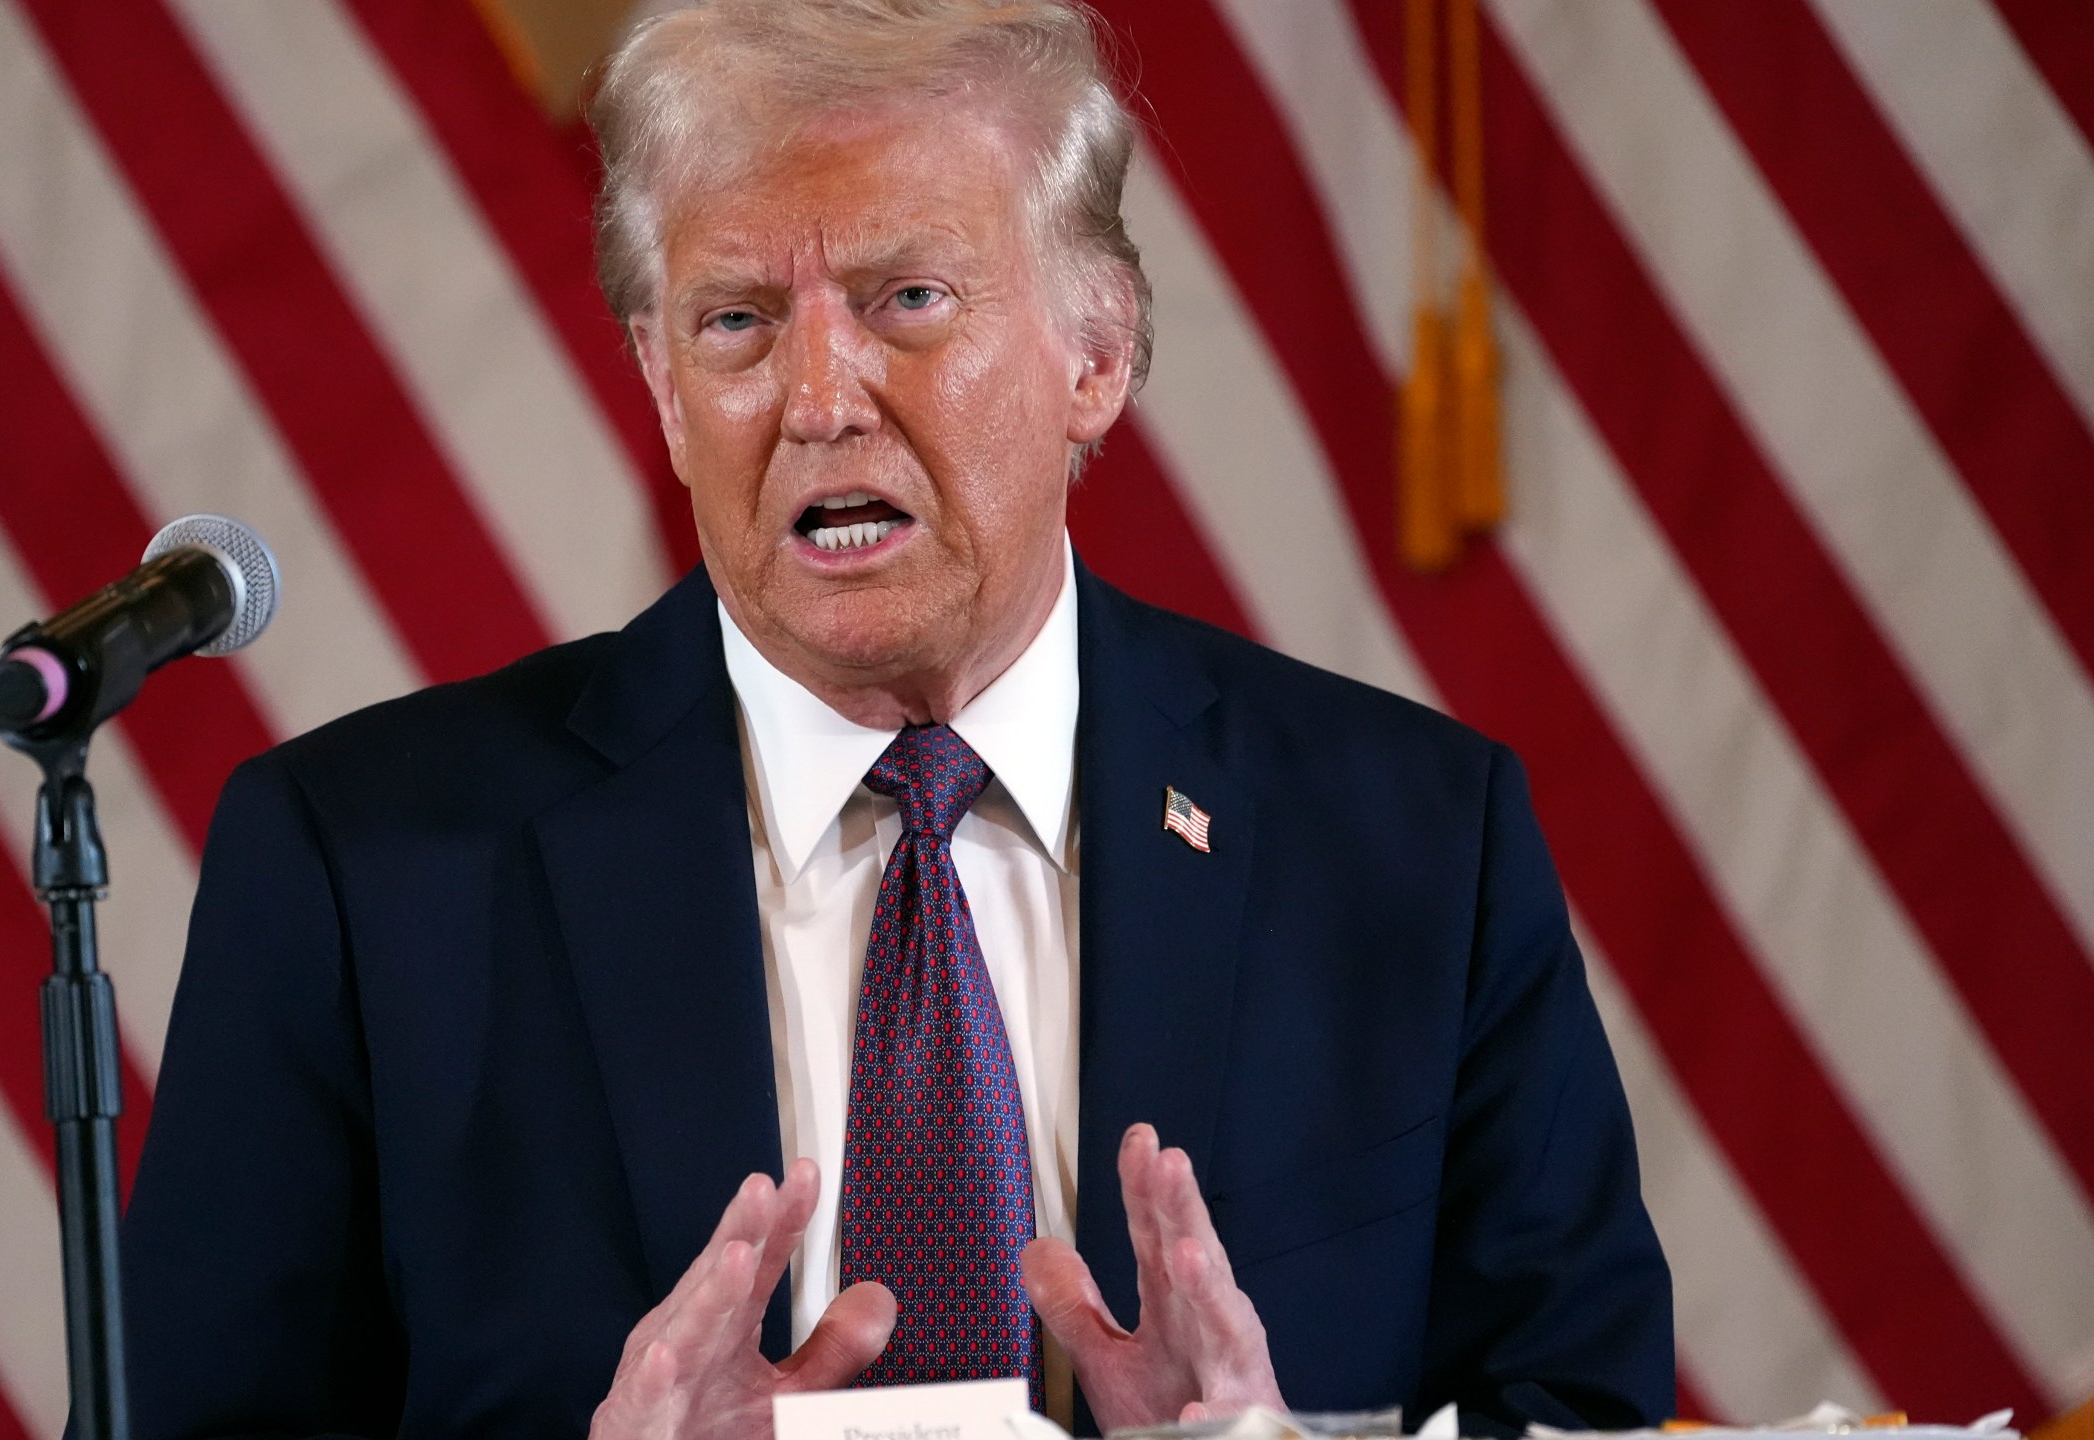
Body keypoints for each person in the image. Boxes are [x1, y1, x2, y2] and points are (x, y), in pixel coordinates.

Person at [117, 1, 1673, 1435]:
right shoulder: (365, 874)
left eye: (907, 299)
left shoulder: (1412, 844)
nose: (818, 397)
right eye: (733, 323)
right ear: (661, 387)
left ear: (1099, 350)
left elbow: (1583, 1403)